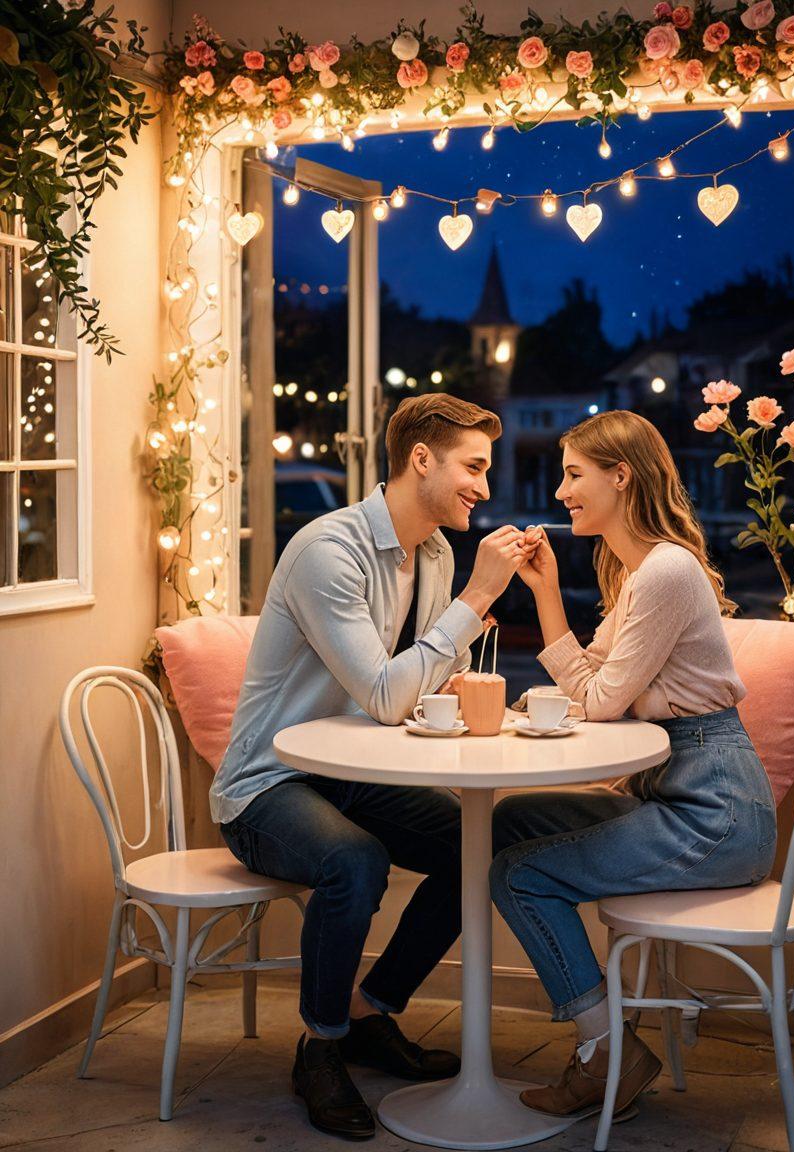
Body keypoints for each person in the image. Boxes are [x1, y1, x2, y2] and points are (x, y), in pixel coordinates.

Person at [213, 395, 534, 1140]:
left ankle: (368, 1013)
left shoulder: (434, 554)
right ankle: (319, 1048)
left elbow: (405, 688)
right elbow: (389, 697)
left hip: (348, 775)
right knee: (354, 863)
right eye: (473, 467)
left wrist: (448, 682)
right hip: (267, 784)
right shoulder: (330, 550)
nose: (484, 488)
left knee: (482, 849)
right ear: (421, 460)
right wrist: (480, 597)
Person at [489, 409, 777, 1120]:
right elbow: (592, 681)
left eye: (575, 476)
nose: (561, 494)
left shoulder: (665, 573)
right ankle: (604, 1037)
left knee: (517, 874)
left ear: (621, 477)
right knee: (513, 820)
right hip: (679, 794)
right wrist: (548, 594)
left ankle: (608, 1055)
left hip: (714, 813)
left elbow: (599, 699)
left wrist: (587, 693)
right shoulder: (639, 571)